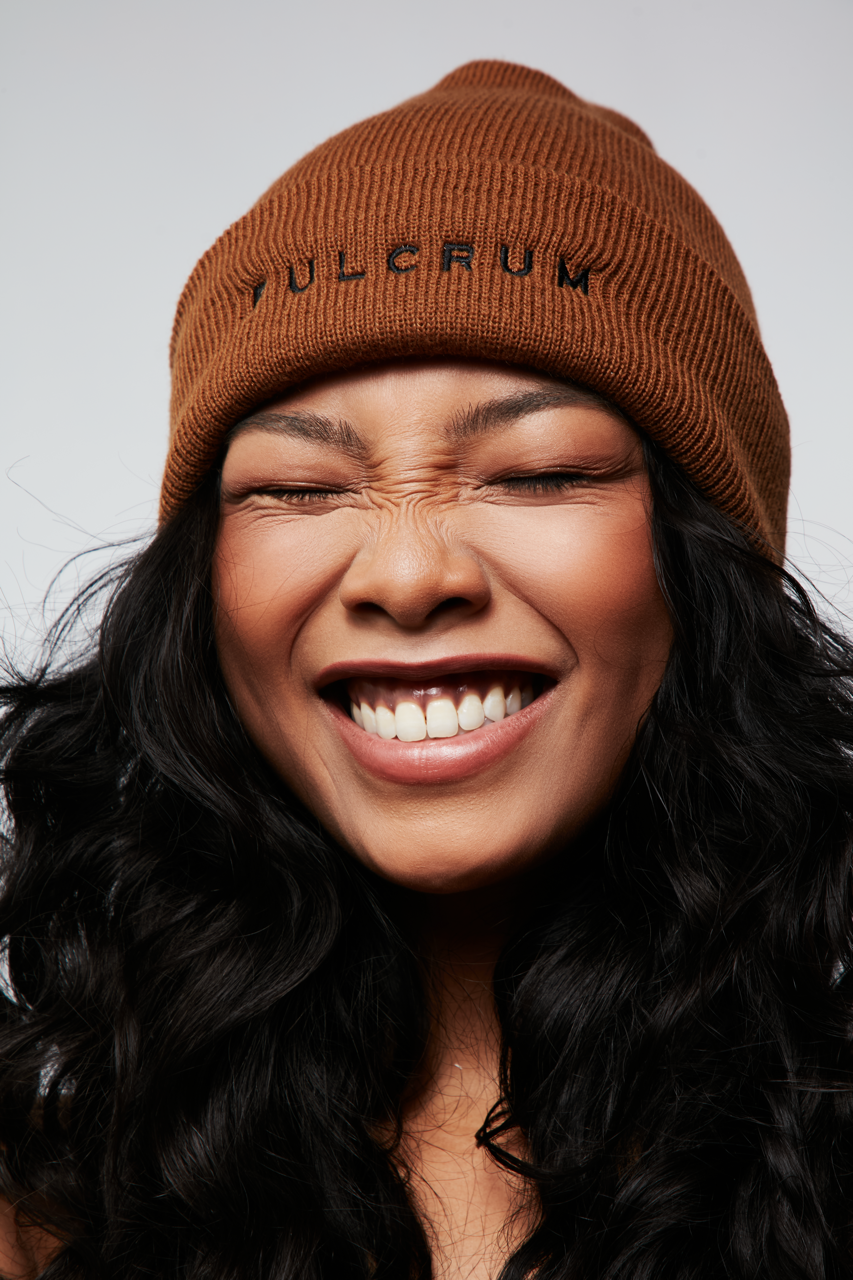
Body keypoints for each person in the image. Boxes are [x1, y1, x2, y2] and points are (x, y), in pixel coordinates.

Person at [1, 59, 852, 1280]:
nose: (404, 574)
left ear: (703, 563)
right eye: (298, 487)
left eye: (539, 471)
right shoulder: (42, 1204)